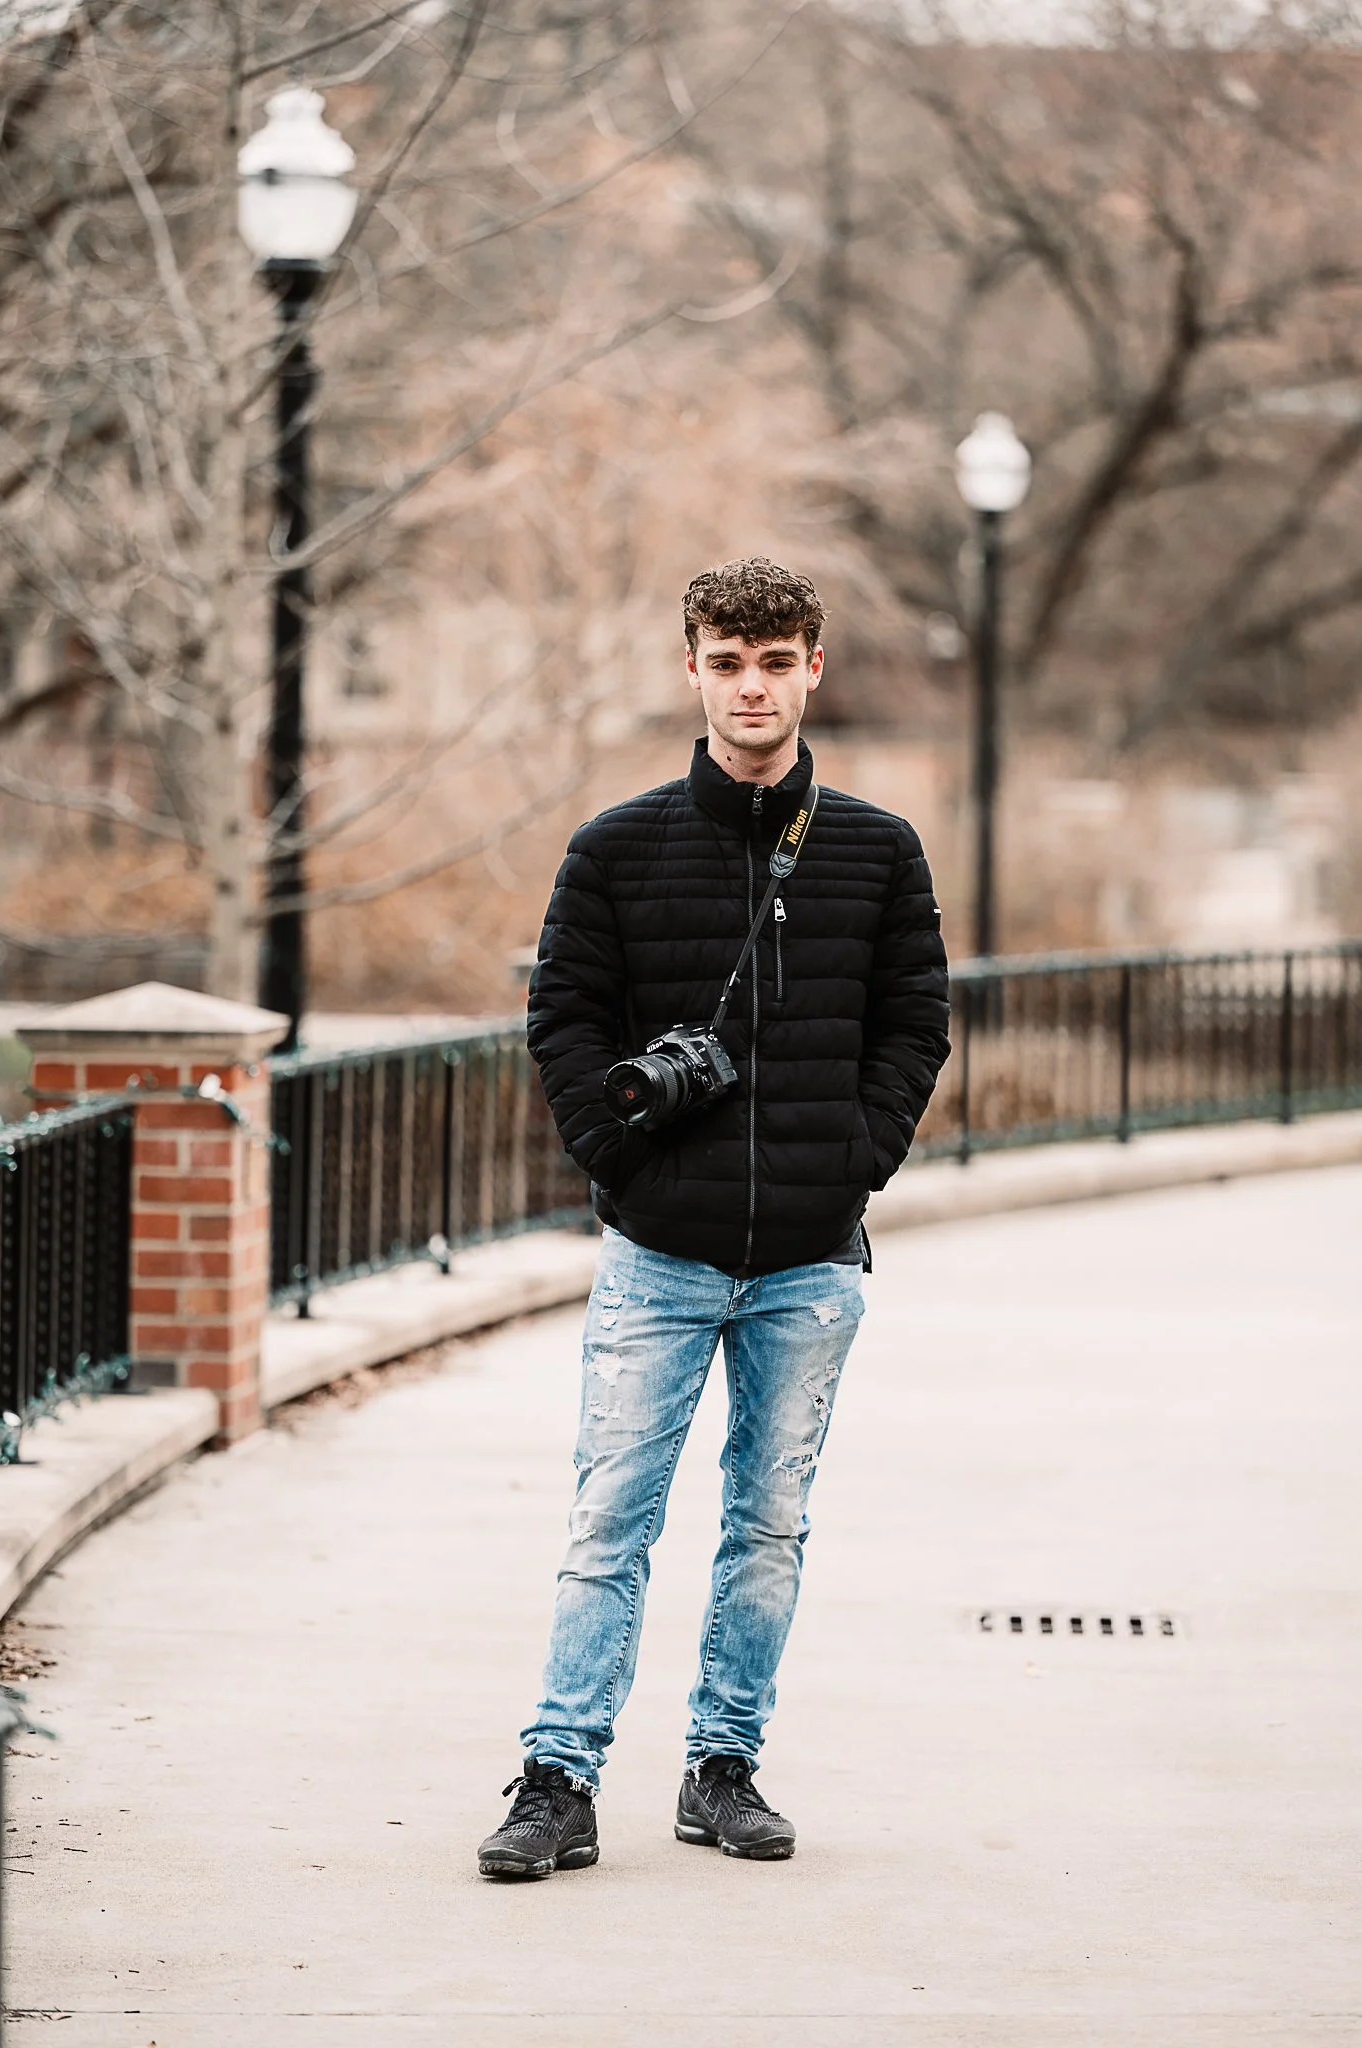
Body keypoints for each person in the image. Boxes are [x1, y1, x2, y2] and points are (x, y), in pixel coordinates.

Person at [477, 556, 950, 1880]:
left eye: (776, 659)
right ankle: (559, 1779)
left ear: (813, 668)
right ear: (692, 669)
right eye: (727, 661)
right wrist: (613, 1154)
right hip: (658, 1252)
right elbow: (561, 1017)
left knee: (770, 1523)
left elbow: (916, 1019)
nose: (752, 685)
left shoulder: (877, 851)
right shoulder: (616, 849)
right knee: (609, 1521)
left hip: (811, 1259)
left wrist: (855, 1161)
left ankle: (723, 1768)